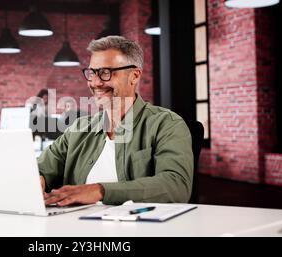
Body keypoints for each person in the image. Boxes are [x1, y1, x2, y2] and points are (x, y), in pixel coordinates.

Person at [38, 36, 193, 206]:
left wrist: (99, 190)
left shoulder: (167, 125)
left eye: (106, 73)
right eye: (91, 73)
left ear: (134, 76)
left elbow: (176, 186)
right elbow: (40, 168)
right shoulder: (79, 128)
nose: (95, 82)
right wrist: (37, 179)